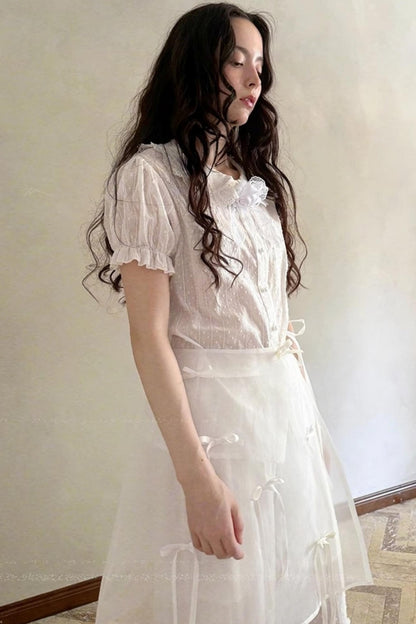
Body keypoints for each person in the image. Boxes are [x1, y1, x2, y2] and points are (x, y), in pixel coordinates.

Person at [84, 3, 374, 623]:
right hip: (215, 424)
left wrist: (310, 424)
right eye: (236, 61)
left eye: (259, 63)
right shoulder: (150, 178)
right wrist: (198, 481)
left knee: (289, 582)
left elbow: (273, 319)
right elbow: (150, 340)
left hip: (281, 412)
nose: (254, 77)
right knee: (224, 593)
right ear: (195, 68)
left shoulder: (250, 176)